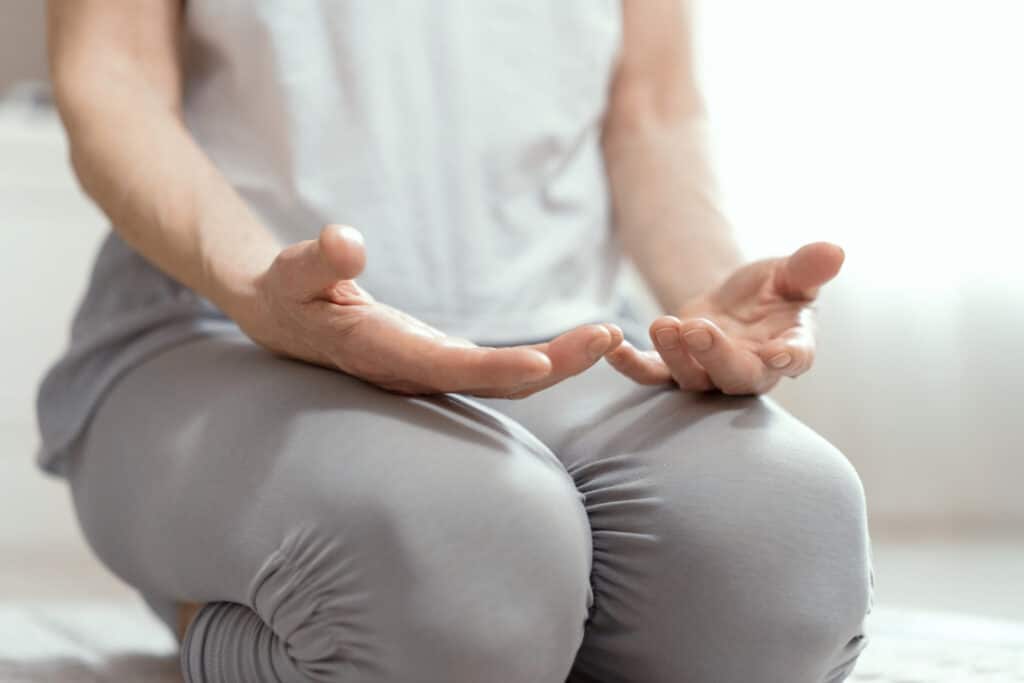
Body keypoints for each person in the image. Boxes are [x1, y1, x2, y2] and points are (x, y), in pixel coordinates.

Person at [38, 1, 871, 681]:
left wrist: (708, 300)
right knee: (472, 556)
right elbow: (114, 78)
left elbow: (652, 107)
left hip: (564, 334)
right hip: (223, 329)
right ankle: (221, 618)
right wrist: (260, 287)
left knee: (786, 551)